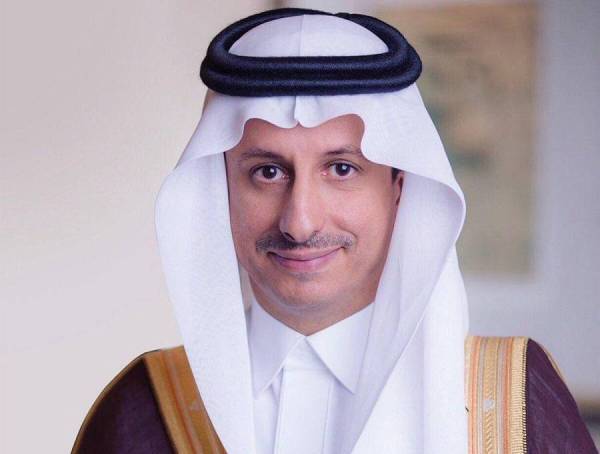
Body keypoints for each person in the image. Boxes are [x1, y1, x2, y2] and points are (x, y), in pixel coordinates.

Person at [71, 7, 596, 454]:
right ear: (219, 191)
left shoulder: (509, 401)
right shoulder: (145, 411)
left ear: (399, 188)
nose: (300, 222)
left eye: (341, 169)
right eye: (267, 172)